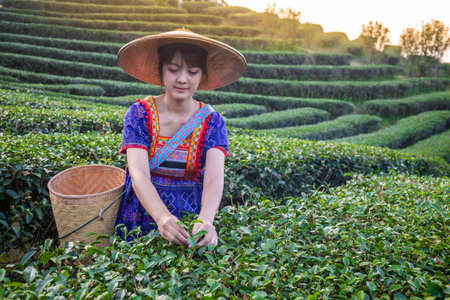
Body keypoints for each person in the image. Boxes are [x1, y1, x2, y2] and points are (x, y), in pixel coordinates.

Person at [115, 29, 247, 247]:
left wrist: (205, 219)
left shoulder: (212, 123)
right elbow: (138, 173)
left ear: (203, 75)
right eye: (173, 69)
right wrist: (161, 217)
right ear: (161, 70)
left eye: (193, 71)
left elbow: (214, 179)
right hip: (140, 215)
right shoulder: (139, 114)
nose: (182, 79)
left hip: (187, 222)